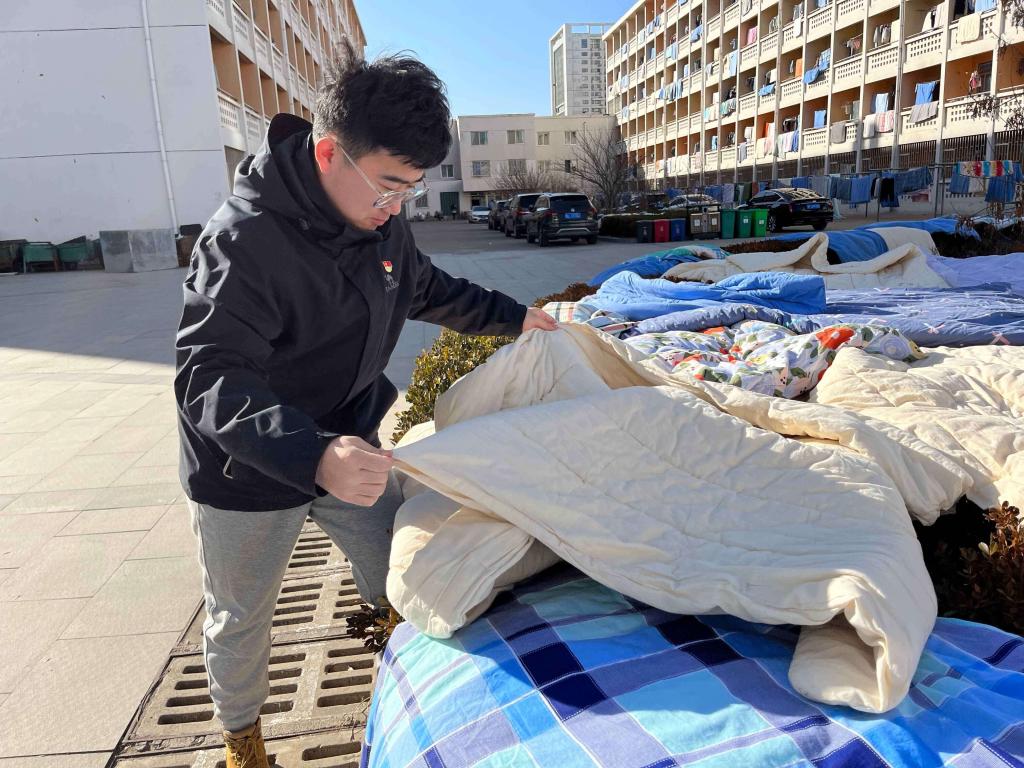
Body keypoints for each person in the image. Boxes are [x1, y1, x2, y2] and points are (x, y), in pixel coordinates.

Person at [174, 42, 556, 768]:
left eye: (410, 189)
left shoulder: (379, 222)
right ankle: (241, 739)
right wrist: (311, 454)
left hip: (351, 440)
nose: (396, 205)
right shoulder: (243, 241)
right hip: (246, 468)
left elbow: (426, 287)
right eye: (388, 186)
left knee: (398, 565)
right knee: (241, 615)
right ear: (329, 154)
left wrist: (515, 318)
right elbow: (207, 375)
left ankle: (394, 651)